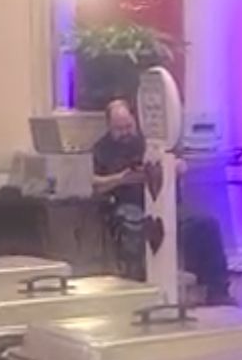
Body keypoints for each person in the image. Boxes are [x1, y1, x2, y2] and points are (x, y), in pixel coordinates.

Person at [91, 98, 232, 303]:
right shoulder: (101, 149)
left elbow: (177, 163)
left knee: (206, 225)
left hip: (164, 204)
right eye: (118, 129)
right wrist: (120, 178)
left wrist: (175, 167)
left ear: (135, 121)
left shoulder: (148, 143)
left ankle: (217, 290)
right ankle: (141, 291)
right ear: (109, 127)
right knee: (139, 227)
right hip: (128, 206)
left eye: (128, 126)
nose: (125, 132)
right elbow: (93, 183)